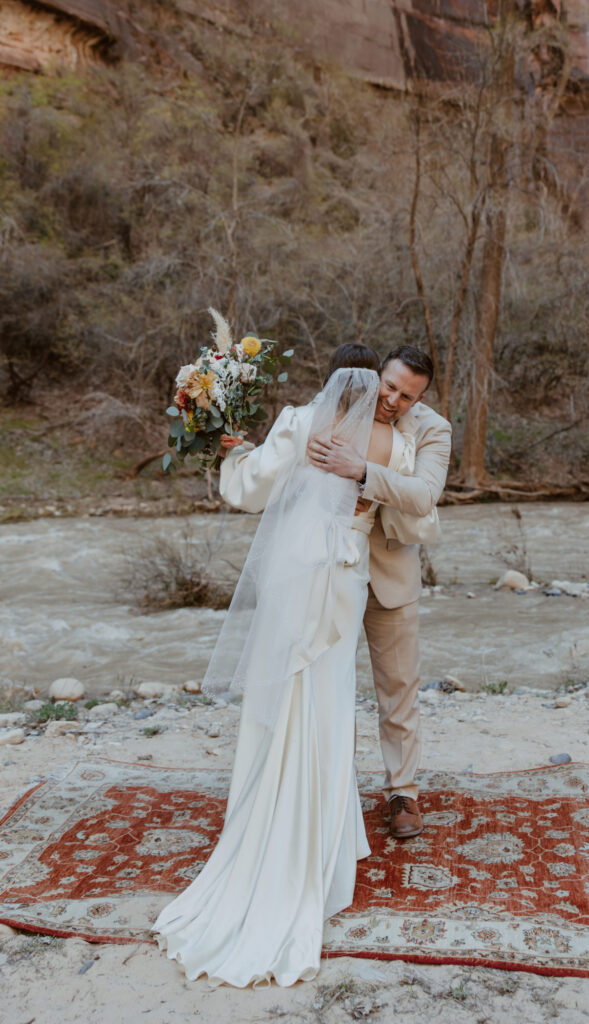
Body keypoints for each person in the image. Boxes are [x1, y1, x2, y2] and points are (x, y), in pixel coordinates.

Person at [153, 352, 435, 988]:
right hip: (344, 576)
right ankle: (327, 848)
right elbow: (415, 506)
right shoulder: (391, 442)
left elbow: (249, 490)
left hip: (293, 570)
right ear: (372, 388)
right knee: (330, 703)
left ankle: (263, 819)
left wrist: (231, 448)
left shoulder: (301, 421)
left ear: (331, 380)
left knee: (278, 697)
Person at [307, 346, 452, 839]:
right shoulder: (346, 405)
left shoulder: (434, 429)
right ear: (379, 374)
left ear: (421, 397)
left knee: (398, 689)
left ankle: (402, 792)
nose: (392, 400)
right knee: (328, 684)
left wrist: (362, 471)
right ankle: (332, 789)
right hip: (328, 570)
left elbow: (424, 494)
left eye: (407, 396)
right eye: (389, 386)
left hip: (392, 573)